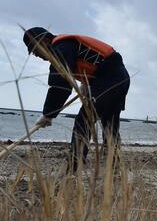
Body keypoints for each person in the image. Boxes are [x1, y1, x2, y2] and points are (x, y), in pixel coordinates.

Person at [23, 27, 131, 173]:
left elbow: (60, 84)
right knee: (109, 123)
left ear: (42, 41)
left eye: (34, 49)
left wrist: (48, 114)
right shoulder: (66, 46)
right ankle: (115, 169)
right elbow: (94, 62)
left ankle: (73, 169)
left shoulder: (60, 48)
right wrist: (86, 84)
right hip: (120, 77)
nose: (36, 55)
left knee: (84, 121)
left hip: (110, 78)